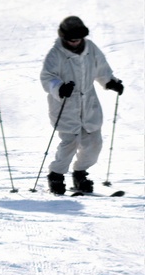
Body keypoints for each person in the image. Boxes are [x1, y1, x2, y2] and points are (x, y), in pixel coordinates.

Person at [39, 16, 124, 195]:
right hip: (66, 104)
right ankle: (56, 175)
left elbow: (101, 68)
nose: (76, 42)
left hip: (89, 103)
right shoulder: (55, 54)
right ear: (64, 38)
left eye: (78, 39)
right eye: (72, 39)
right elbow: (47, 77)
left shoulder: (90, 48)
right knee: (70, 141)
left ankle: (80, 174)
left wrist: (110, 82)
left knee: (94, 142)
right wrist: (60, 88)